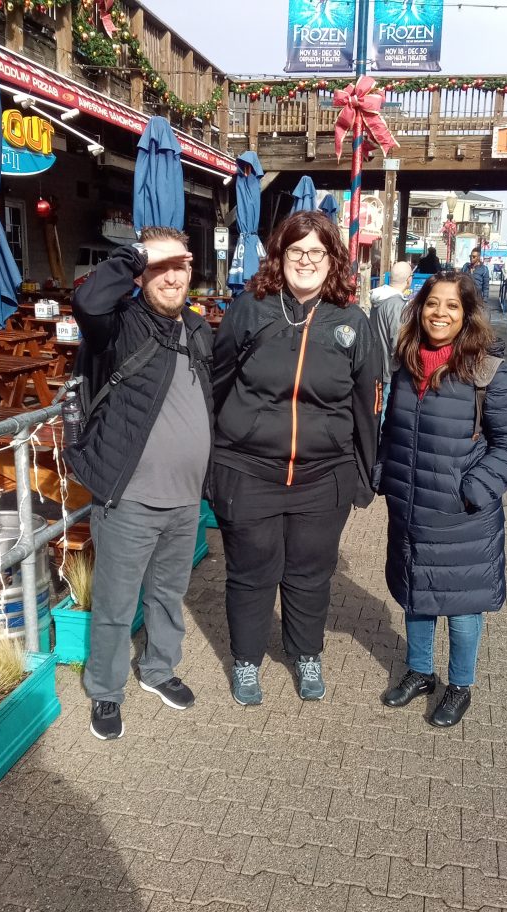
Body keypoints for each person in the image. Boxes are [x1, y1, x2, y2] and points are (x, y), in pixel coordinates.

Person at [211, 211, 380, 706]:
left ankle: (307, 652)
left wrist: (364, 473)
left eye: (316, 253)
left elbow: (368, 403)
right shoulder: (251, 309)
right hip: (247, 469)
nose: (305, 261)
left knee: (310, 573)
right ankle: (245, 660)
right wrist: (214, 459)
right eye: (295, 251)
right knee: (251, 571)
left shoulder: (353, 322)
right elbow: (217, 381)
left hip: (322, 476)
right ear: (279, 257)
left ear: (332, 260)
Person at [67, 227, 213, 740]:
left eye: (181, 266)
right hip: (128, 498)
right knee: (115, 604)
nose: (172, 276)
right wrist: (138, 253)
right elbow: (87, 298)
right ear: (141, 272)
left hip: (184, 500)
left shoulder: (197, 329)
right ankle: (106, 691)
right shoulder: (120, 324)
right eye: (160, 266)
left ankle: (157, 669)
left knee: (169, 596)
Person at [376, 271, 507, 727]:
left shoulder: (486, 371)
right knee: (415, 595)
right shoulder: (406, 362)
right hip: (411, 505)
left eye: (451, 306)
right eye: (431, 304)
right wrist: (386, 471)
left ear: (466, 315)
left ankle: (460, 685)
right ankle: (420, 672)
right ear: (418, 308)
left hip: (464, 514)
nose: (439, 313)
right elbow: (394, 430)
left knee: (462, 608)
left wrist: (475, 488)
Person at [370, 261, 412, 414]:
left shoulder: (378, 299)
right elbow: (397, 340)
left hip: (376, 366)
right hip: (390, 371)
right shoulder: (397, 304)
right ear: (409, 280)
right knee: (385, 415)